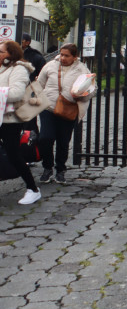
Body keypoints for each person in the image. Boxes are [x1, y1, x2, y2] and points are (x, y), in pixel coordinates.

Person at [37, 43, 95, 184]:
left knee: (63, 141)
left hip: (68, 109)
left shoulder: (82, 69)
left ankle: (60, 170)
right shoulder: (50, 65)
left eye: (66, 55)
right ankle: (47, 167)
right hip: (48, 108)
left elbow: (92, 89)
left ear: (75, 57)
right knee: (45, 138)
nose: (62, 58)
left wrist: (80, 95)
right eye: (61, 54)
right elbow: (40, 83)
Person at [0, 41, 41, 204]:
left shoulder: (19, 69)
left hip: (10, 119)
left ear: (11, 54)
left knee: (13, 154)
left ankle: (33, 189)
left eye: (1, 51)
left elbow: (16, 93)